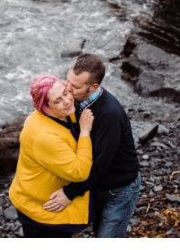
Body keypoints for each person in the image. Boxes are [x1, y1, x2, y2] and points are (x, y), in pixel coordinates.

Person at [43, 54, 141, 238]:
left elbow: (99, 164)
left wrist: (70, 192)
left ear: (94, 87)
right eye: (68, 80)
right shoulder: (77, 100)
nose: (68, 89)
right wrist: (36, 120)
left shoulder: (109, 114)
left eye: (75, 86)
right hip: (96, 184)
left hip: (119, 189)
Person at [9, 74, 95, 237]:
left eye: (65, 92)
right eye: (57, 100)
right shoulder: (44, 137)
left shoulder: (62, 112)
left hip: (41, 198)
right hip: (41, 210)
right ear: (45, 108)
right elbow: (79, 172)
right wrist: (85, 132)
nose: (67, 100)